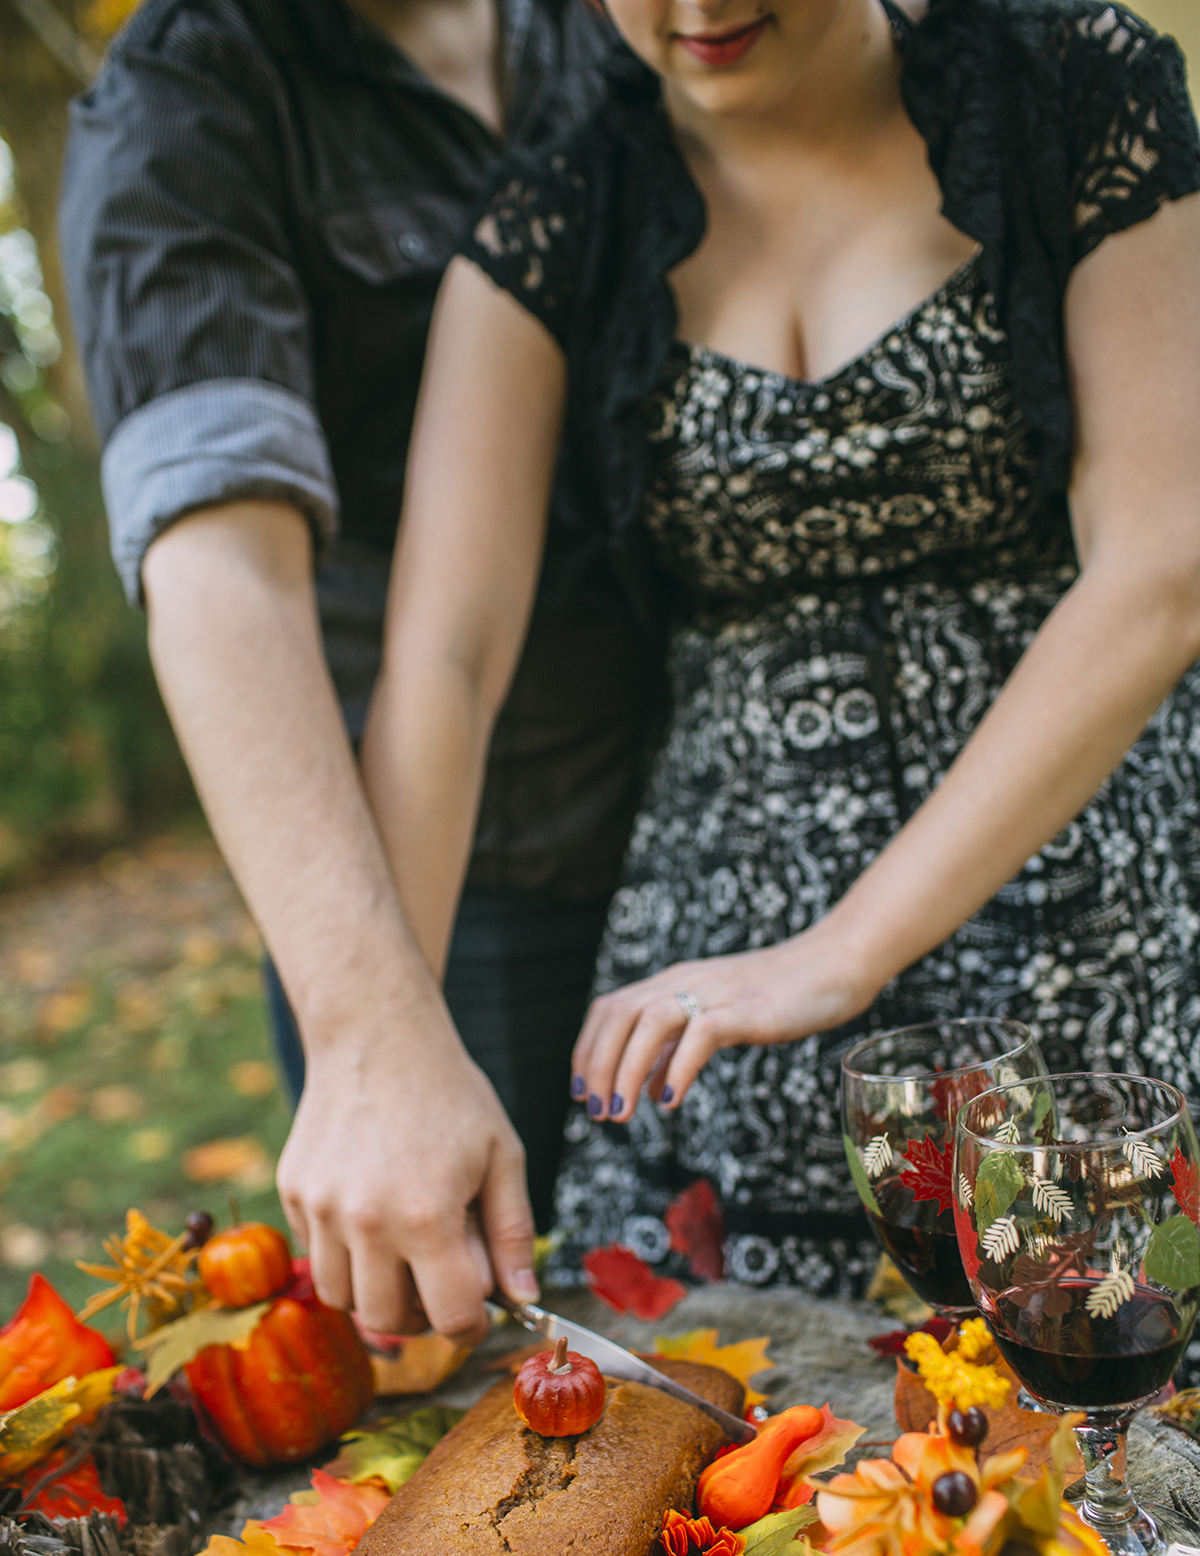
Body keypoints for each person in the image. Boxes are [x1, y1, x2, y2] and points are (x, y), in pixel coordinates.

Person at [360, 0, 1200, 1297]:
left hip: (1090, 907)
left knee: (1118, 1411)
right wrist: (387, 1050)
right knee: (746, 1452)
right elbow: (445, 664)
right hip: (715, 992)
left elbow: (1164, 567)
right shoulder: (554, 219)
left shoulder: (1073, 84)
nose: (697, 8)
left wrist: (839, 952)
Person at [58, 0, 663, 1340]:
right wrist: (372, 1024)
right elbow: (225, 571)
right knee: (481, 1366)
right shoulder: (182, 107)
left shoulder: (609, 25)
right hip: (452, 887)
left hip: (722, 824)